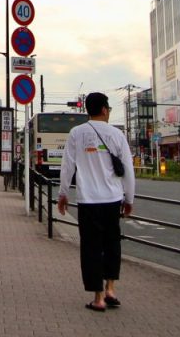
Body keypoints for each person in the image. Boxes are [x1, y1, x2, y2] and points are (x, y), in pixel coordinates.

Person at [56, 91, 135, 314]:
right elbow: (128, 169)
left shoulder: (76, 133)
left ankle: (98, 297)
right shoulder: (116, 134)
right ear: (103, 109)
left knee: (90, 248)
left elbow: (67, 167)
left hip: (88, 200)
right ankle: (111, 288)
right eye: (108, 108)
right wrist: (129, 198)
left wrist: (63, 194)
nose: (108, 112)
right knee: (112, 244)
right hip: (112, 199)